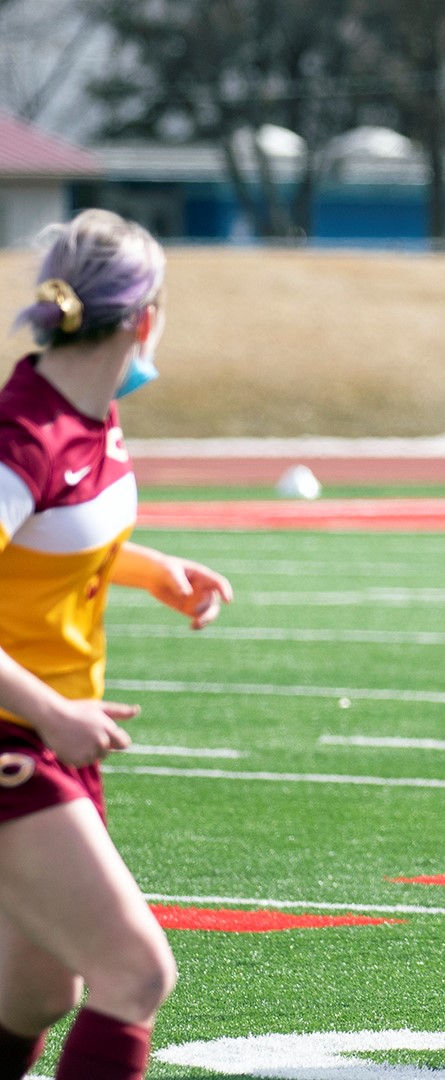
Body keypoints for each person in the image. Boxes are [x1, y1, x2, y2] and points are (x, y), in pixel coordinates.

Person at [0, 209, 233, 1080]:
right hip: (17, 741)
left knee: (32, 997)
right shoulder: (23, 436)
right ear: (145, 317)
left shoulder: (89, 415)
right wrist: (52, 709)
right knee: (136, 973)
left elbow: (55, 540)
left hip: (47, 735)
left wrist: (149, 571)